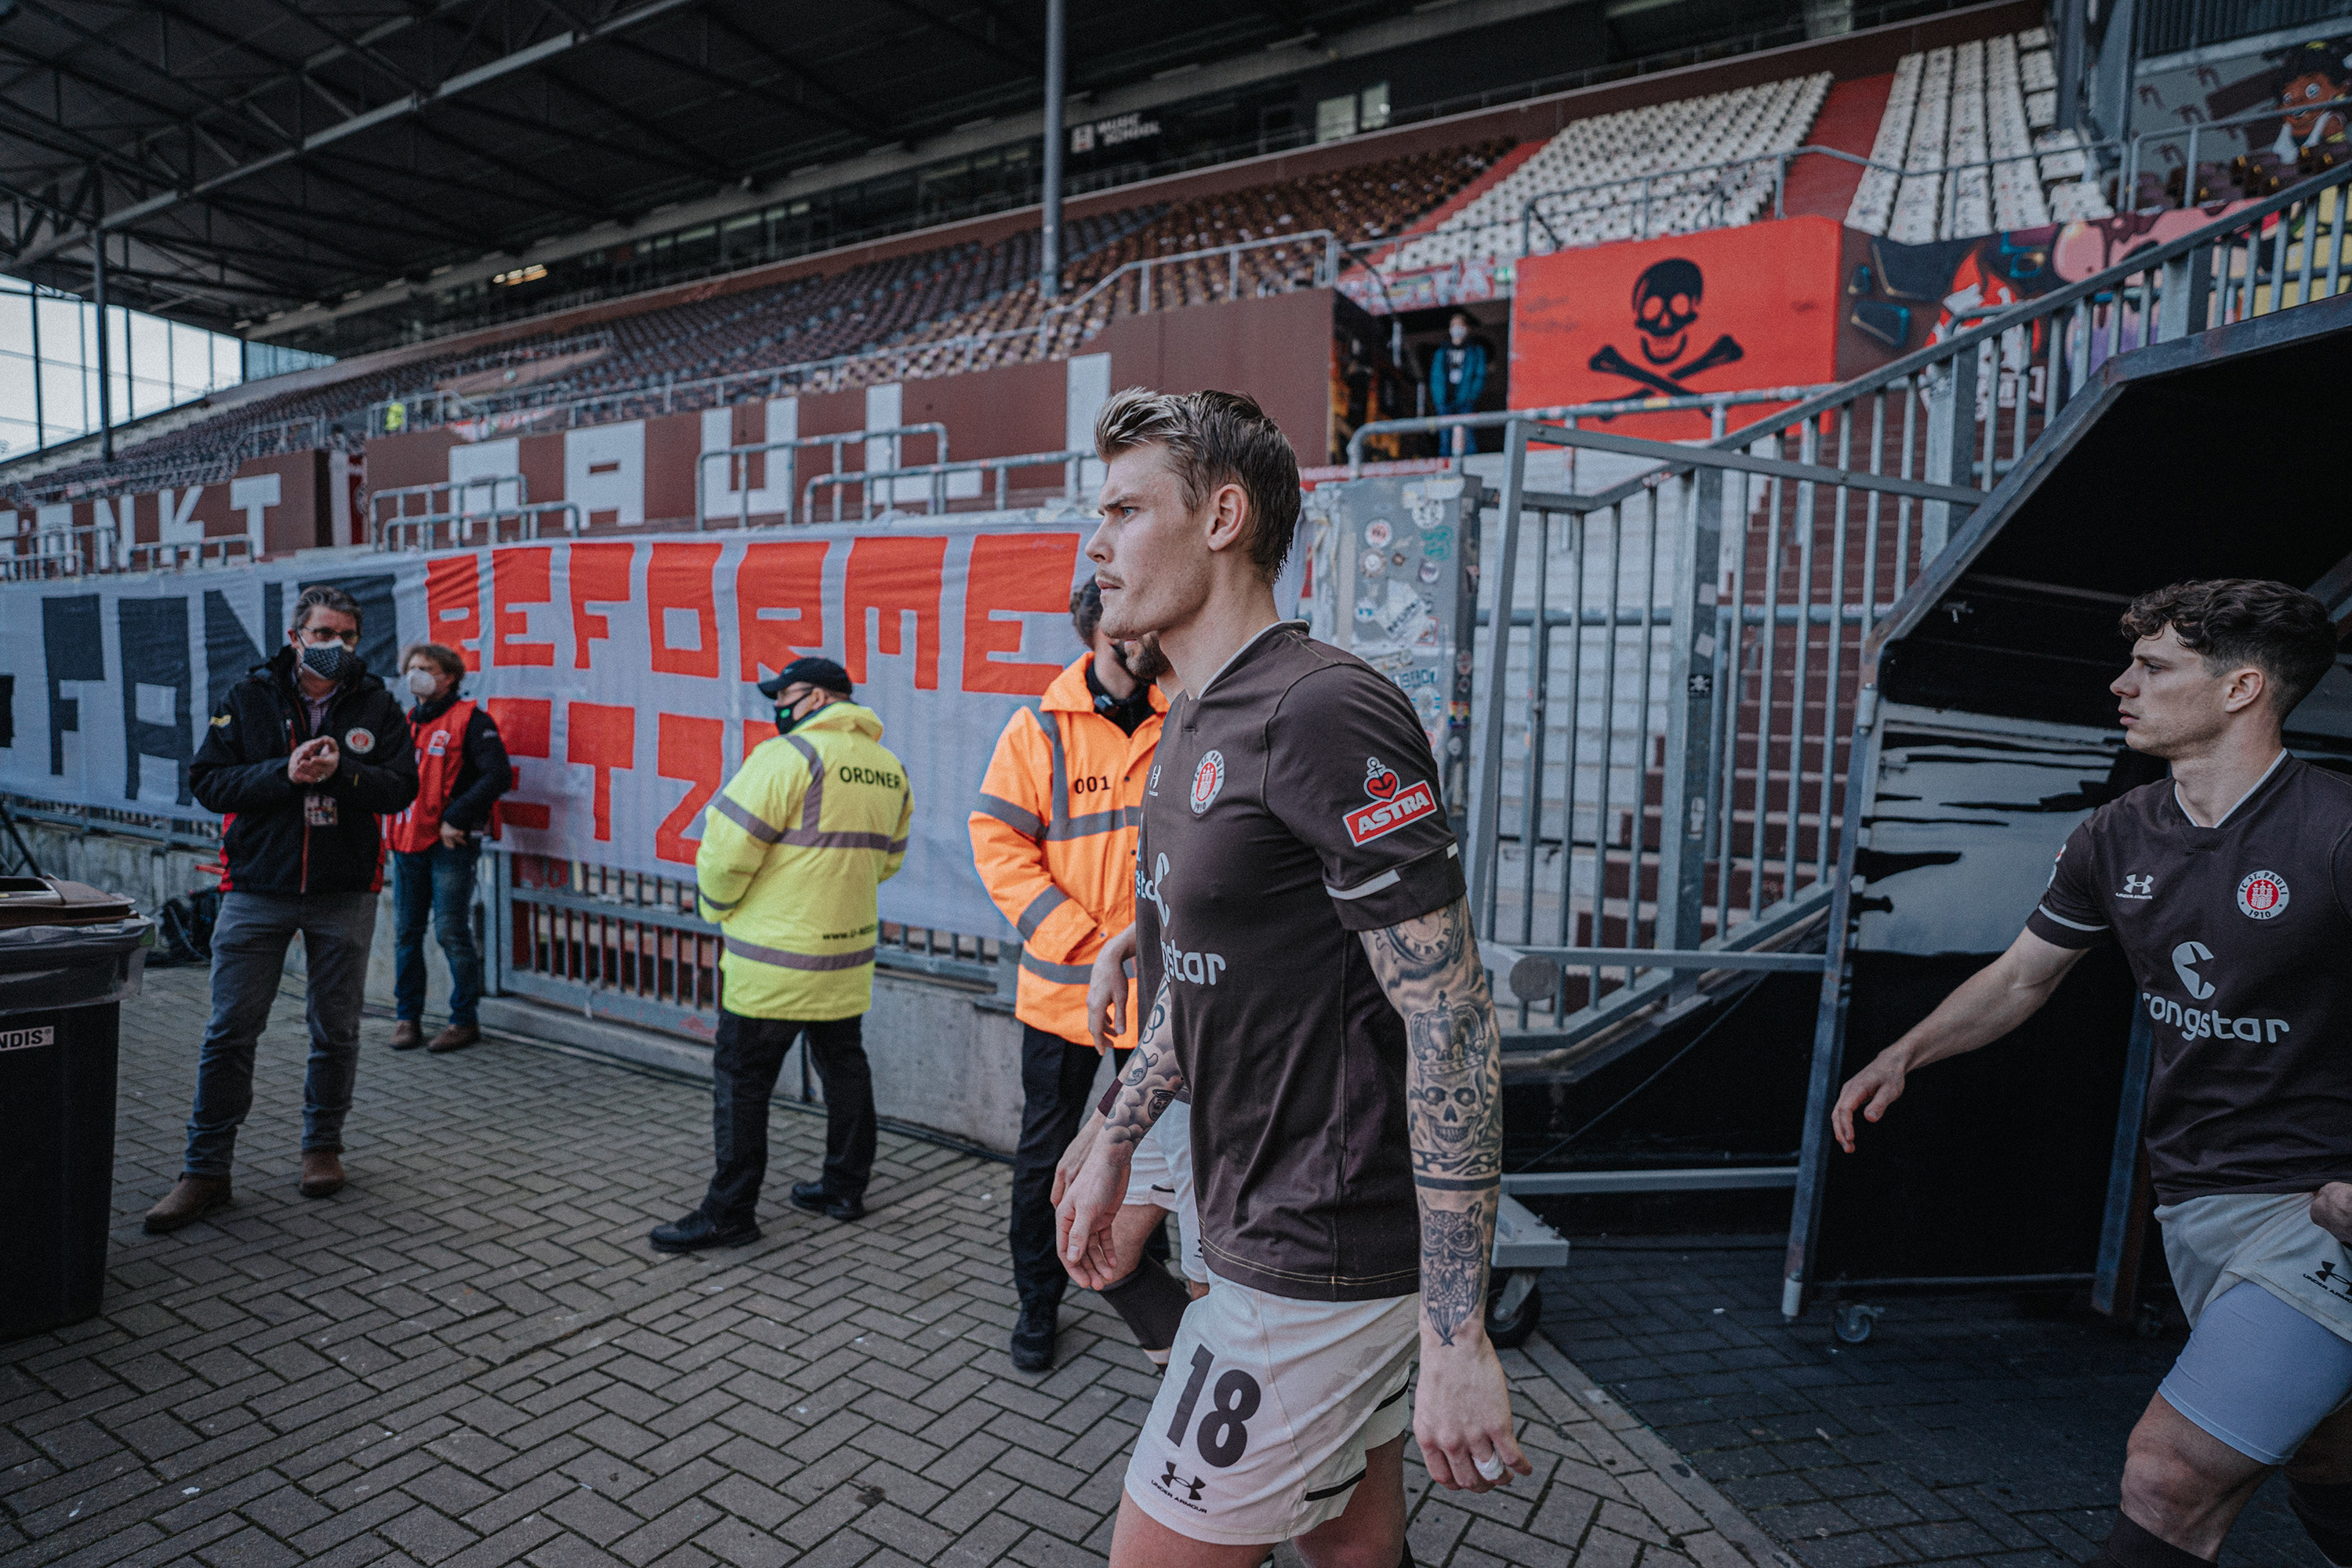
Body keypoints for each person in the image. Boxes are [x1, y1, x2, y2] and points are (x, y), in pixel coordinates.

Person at [1058, 388, 1527, 1566]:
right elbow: (1200, 970)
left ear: (1223, 515)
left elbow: (1455, 1022)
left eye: (1123, 509)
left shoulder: (1327, 707)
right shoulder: (1192, 714)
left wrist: (1457, 1332)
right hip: (1247, 1212)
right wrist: (1121, 1128)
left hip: (1317, 1260)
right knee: (1355, 1553)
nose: (1096, 544)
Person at [1830, 579, 2352, 1568]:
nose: (2122, 684)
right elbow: (2025, 974)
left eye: (2153, 667)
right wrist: (1907, 1049)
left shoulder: (2334, 827)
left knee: (2168, 1472)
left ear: (2243, 688)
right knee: (2325, 1452)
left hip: (2319, 1206)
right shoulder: (2119, 832)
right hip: (2201, 1198)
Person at [147, 586, 418, 1232]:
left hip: (342, 892)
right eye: (323, 635)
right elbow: (209, 781)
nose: (335, 648)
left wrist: (341, 773)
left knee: (337, 1030)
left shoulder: (378, 704)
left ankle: (321, 1148)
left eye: (347, 637)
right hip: (256, 891)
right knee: (230, 1030)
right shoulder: (249, 697)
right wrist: (283, 774)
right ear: (296, 637)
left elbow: (401, 787)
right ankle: (205, 1169)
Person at [971, 584, 1170, 1371]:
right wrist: (1090, 945)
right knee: (1047, 1151)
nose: (1143, 634)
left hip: (1161, 994)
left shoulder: (1182, 712)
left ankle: (1165, 1303)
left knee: (1166, 1157)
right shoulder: (1038, 729)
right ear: (1095, 631)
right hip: (1065, 992)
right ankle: (1037, 1302)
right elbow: (999, 844)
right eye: (1126, 624)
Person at [650, 657, 913, 1251]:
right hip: (844, 962)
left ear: (818, 698)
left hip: (771, 965)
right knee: (845, 1070)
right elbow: (888, 861)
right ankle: (844, 1188)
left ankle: (729, 1211)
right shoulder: (889, 768)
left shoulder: (789, 758)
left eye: (786, 695)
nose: (779, 706)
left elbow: (724, 852)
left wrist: (717, 907)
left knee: (743, 1084)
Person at [385, 642, 512, 1054]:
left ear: (449, 677)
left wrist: (456, 816)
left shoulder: (472, 720)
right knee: (405, 933)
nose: (416, 674)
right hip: (406, 841)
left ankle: (464, 1020)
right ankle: (407, 1018)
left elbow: (497, 775)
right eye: (412, 668)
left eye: (426, 668)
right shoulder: (406, 723)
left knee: (451, 932)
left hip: (450, 844)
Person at [1428, 311, 1486, 456]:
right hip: (1444, 400)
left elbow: (1480, 375)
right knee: (1445, 438)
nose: (1457, 329)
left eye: (1460, 325)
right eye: (1454, 325)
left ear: (1467, 328)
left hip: (1465, 400)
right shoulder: (1442, 352)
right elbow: (1435, 377)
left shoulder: (1475, 351)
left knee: (1468, 436)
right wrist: (1438, 399)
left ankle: (1472, 464)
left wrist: (1471, 396)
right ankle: (1445, 467)